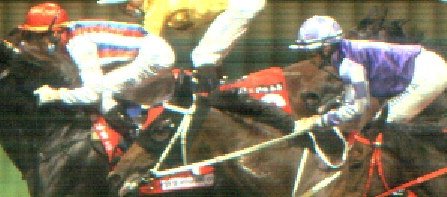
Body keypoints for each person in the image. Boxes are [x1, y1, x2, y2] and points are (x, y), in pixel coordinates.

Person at [14, 4, 177, 127]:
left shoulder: (79, 44)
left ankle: (134, 130)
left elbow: (93, 93)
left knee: (102, 94)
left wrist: (55, 95)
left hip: (154, 55)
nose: (35, 43)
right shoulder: (70, 35)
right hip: (148, 52)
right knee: (106, 94)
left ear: (55, 34)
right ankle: (135, 123)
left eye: (37, 37)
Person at [289, 16, 447, 135]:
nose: (309, 59)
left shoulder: (349, 64)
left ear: (326, 49)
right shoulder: (344, 54)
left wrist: (316, 122)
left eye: (311, 53)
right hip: (425, 65)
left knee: (380, 127)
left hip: (428, 74)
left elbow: (356, 109)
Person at [97, 0, 267, 90]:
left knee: (203, 57)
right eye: (122, 7)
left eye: (126, 4)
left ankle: (210, 90)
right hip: (241, 5)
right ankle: (217, 85)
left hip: (243, 3)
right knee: (207, 55)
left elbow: (146, 44)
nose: (126, 9)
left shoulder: (156, 6)